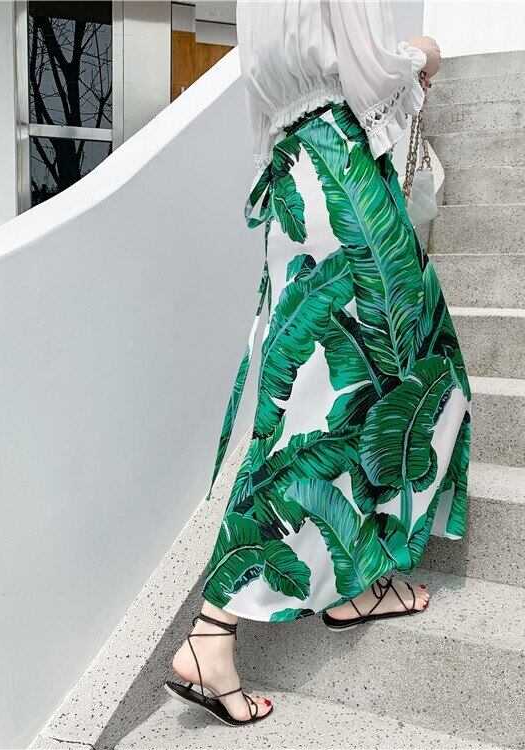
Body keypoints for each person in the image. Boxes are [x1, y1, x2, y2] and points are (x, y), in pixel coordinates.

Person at [165, 0, 471, 726]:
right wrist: (422, 55)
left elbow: (264, 109)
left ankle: (354, 585)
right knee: (421, 376)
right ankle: (211, 632)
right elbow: (373, 77)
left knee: (331, 399)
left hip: (294, 183)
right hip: (345, 176)